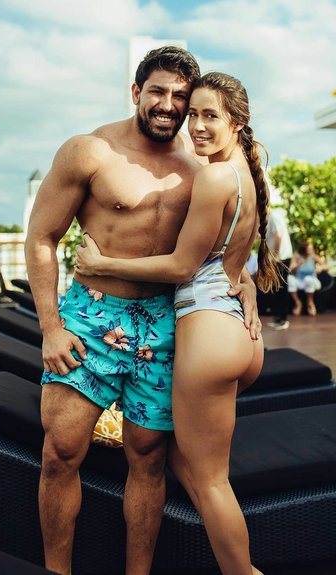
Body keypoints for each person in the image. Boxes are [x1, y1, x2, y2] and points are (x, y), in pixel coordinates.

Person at [24, 47, 261, 575]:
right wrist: (50, 327)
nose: (168, 105)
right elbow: (41, 237)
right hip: (91, 317)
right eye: (157, 91)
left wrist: (242, 282)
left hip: (164, 321)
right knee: (61, 452)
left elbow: (220, 239)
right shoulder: (90, 152)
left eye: (180, 96)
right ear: (136, 92)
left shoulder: (202, 162)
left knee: (150, 459)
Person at [76, 71, 281, 575]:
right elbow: (232, 257)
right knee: (179, 459)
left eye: (211, 116)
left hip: (210, 336)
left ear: (237, 122)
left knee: (212, 481)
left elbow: (182, 266)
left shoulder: (212, 177)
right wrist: (248, 288)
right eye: (194, 115)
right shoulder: (246, 172)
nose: (198, 126)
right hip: (239, 334)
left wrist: (102, 264)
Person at [265, 206, 293, 329]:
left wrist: (275, 256)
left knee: (281, 288)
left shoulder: (274, 216)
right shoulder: (270, 218)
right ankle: (278, 318)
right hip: (277, 258)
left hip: (281, 258)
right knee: (276, 288)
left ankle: (283, 319)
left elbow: (278, 235)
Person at [287, 240, 327, 316]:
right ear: (303, 249)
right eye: (310, 249)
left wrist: (321, 268)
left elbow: (326, 266)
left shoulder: (313, 257)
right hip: (299, 281)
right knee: (290, 279)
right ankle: (298, 303)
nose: (312, 250)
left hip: (312, 281)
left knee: (308, 279)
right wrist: (298, 264)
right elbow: (290, 270)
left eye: (312, 248)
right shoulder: (296, 257)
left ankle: (310, 303)